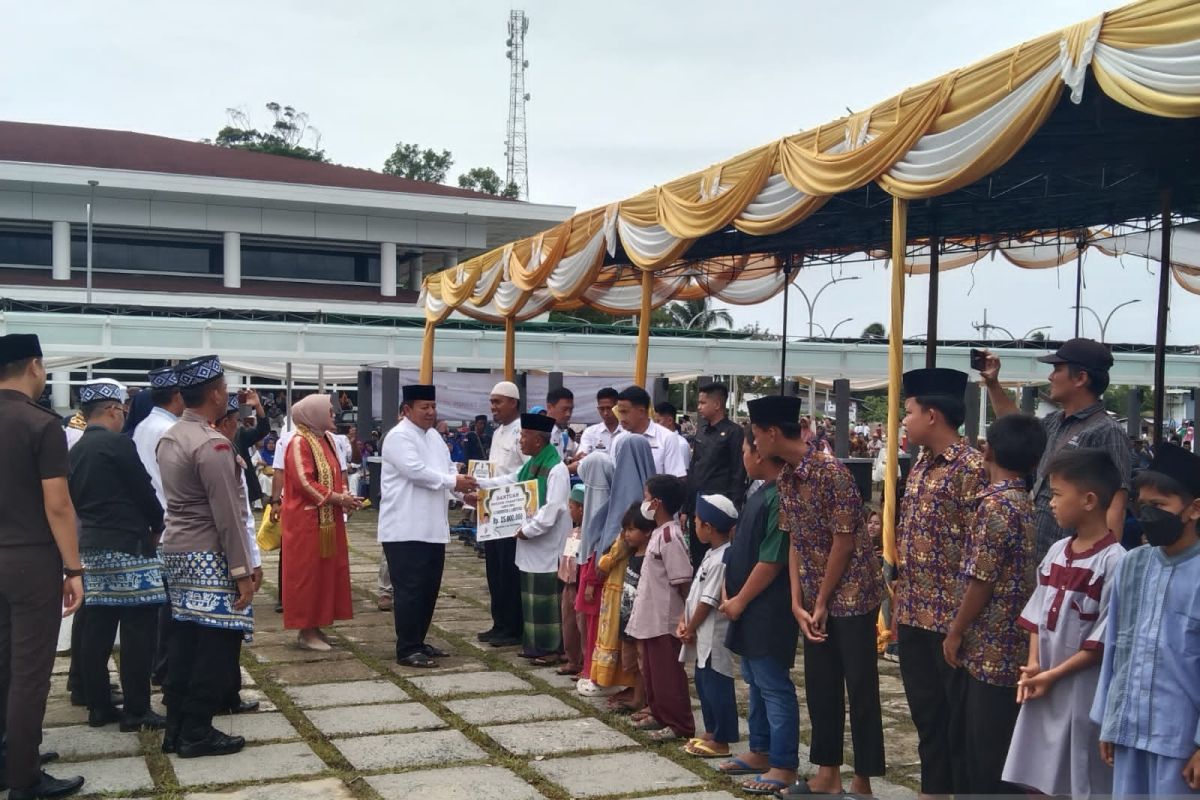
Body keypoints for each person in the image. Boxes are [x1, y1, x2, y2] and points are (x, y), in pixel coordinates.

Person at [753, 394, 885, 796]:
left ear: (773, 433)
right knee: (821, 685)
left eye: (757, 435)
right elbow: (795, 540)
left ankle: (862, 781)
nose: (755, 443)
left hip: (854, 596)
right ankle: (827, 773)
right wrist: (798, 601)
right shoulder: (788, 477)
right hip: (814, 599)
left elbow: (843, 542)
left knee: (860, 688)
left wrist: (822, 600)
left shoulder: (832, 473)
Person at [1001, 448, 1126, 797]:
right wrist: (1034, 664)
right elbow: (1038, 615)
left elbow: (1102, 640)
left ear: (1088, 500)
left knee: (1077, 776)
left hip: (1080, 689)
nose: (1050, 503)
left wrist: (1052, 675)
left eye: (1056, 494)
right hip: (1043, 681)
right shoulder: (1057, 551)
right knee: (1035, 772)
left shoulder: (1116, 562)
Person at [156, 355, 257, 759]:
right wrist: (242, 570)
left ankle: (176, 726)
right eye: (225, 388)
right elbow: (228, 517)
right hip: (209, 554)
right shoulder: (212, 444)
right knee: (217, 645)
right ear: (216, 394)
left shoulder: (172, 436)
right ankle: (197, 728)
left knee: (184, 641)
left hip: (177, 550)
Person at [941, 413, 1046, 794]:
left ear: (988, 450)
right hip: (1010, 644)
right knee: (998, 747)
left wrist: (955, 631)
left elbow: (981, 579)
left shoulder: (995, 507)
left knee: (979, 750)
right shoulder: (1025, 502)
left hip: (986, 645)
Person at [894, 367, 987, 797]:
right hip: (913, 613)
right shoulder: (918, 467)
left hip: (952, 622)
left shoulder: (972, 468)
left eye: (908, 412)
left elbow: (978, 551)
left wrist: (960, 625)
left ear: (932, 415)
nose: (903, 421)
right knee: (926, 716)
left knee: (958, 721)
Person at [0, 334, 86, 800]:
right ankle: (24, 778)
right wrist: (74, 569)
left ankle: (8, 756)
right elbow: (58, 505)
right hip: (30, 559)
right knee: (30, 671)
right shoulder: (40, 423)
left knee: (1, 666)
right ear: (34, 365)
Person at [1091, 443, 1200, 796]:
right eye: (1143, 505)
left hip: (1181, 740)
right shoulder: (1132, 564)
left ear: (1194, 509)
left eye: (1160, 506)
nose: (1148, 514)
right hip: (1130, 727)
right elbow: (1115, 649)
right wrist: (1110, 719)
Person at [68, 379, 167, 732]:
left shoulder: (75, 450)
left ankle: (98, 706)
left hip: (92, 546)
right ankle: (137, 708)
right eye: (121, 409)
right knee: (139, 630)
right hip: (129, 545)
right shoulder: (117, 445)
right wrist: (158, 523)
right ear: (112, 409)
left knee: (98, 628)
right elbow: (144, 491)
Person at [982, 338, 1133, 561]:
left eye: (1057, 369)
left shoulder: (1107, 431)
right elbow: (1014, 428)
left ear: (1081, 378)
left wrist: (1102, 566)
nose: (1051, 377)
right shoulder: (1053, 422)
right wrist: (994, 384)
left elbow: (1115, 506)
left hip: (1074, 564)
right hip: (1043, 555)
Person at [718, 419, 799, 795]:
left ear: (761, 452)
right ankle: (760, 749)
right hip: (746, 605)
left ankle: (783, 764)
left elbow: (772, 560)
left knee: (773, 685)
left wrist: (740, 600)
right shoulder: (760, 490)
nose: (743, 457)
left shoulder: (781, 495)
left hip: (768, 607)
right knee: (754, 681)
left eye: (745, 450)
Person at [378, 385, 475, 667]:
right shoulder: (398, 437)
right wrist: (454, 483)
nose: (431, 412)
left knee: (428, 588)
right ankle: (407, 648)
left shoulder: (433, 437)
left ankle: (418, 640)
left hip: (433, 526)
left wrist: (463, 494)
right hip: (405, 527)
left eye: (433, 406)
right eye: (424, 407)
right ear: (407, 410)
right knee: (409, 590)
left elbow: (445, 474)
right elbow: (416, 472)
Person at [477, 412, 571, 663]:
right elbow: (508, 482)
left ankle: (552, 648)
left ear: (538, 441)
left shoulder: (556, 469)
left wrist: (529, 530)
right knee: (529, 596)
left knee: (546, 598)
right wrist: (476, 483)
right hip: (529, 544)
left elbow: (554, 508)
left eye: (524, 436)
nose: (520, 440)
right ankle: (534, 644)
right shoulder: (531, 465)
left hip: (546, 543)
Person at [576, 436, 654, 698]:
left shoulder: (633, 499)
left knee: (616, 629)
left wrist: (603, 561)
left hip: (619, 577)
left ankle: (616, 679)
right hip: (632, 578)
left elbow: (618, 537)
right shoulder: (651, 496)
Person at [281, 394, 359, 651]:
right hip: (306, 522)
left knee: (327, 572)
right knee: (307, 575)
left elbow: (338, 471)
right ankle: (306, 631)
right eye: (329, 411)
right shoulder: (298, 442)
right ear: (313, 414)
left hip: (327, 519)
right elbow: (305, 483)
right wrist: (338, 498)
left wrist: (345, 495)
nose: (334, 415)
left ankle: (317, 625)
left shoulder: (325, 439)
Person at [625, 475, 694, 742]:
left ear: (657, 503)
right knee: (652, 671)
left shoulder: (670, 535)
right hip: (650, 613)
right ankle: (659, 713)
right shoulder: (657, 533)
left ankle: (679, 723)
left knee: (668, 674)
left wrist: (686, 617)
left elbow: (682, 580)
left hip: (665, 616)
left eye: (646, 497)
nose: (644, 502)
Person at [131, 365, 185, 689]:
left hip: (154, 520)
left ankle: (157, 662)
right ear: (177, 396)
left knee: (160, 600)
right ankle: (164, 667)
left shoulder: (143, 426)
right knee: (170, 601)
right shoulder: (169, 430)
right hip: (169, 519)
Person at [210, 394, 263, 716]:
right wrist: (248, 565)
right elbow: (236, 516)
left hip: (205, 549)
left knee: (219, 632)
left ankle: (227, 692)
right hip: (225, 552)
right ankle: (222, 696)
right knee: (225, 631)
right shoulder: (220, 451)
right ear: (228, 422)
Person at [678, 494, 737, 759]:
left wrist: (690, 627)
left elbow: (708, 600)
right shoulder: (711, 554)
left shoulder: (724, 557)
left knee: (717, 683)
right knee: (703, 682)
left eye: (697, 521)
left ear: (709, 528)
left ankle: (722, 738)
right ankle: (712, 731)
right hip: (700, 632)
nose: (694, 525)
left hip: (713, 634)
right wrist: (684, 620)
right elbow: (694, 594)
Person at [479, 381, 526, 647]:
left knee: (509, 571)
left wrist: (489, 484)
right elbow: (493, 469)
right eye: (492, 401)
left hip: (512, 509)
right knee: (493, 570)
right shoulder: (498, 432)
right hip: (491, 509)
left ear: (513, 403)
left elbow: (524, 473)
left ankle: (512, 627)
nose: (493, 407)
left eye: (498, 402)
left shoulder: (523, 432)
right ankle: (499, 623)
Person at [685, 381, 747, 567]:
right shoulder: (702, 432)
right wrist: (686, 508)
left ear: (717, 404)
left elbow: (738, 473)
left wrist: (735, 508)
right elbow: (694, 469)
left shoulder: (734, 432)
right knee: (697, 558)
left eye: (703, 403)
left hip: (721, 506)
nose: (699, 407)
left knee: (719, 559)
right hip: (699, 505)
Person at [591, 502, 648, 704]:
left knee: (631, 650)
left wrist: (605, 561)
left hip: (625, 598)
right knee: (625, 647)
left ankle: (635, 692)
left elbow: (608, 560)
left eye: (630, 529)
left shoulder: (631, 549)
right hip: (620, 595)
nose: (625, 534)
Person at [615, 385, 689, 477]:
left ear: (641, 412)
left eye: (624, 412)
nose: (621, 418)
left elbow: (675, 478)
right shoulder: (619, 439)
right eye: (619, 412)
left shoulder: (667, 438)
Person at [558, 485, 586, 676]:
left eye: (571, 507)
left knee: (582, 624)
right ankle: (572, 659)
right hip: (567, 584)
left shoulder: (589, 534)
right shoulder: (573, 532)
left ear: (582, 509)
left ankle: (585, 663)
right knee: (568, 623)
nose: (570, 511)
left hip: (581, 585)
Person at [232, 390, 271, 509]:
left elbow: (263, 430)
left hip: (243, 489)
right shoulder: (208, 436)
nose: (236, 422)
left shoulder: (240, 434)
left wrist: (258, 406)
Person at [575, 387, 621, 462]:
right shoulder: (590, 432)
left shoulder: (628, 431)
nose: (605, 413)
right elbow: (582, 457)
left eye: (609, 408)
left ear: (617, 407)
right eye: (601, 409)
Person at [546, 386, 575, 460]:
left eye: (571, 409)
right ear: (549, 407)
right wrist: (569, 468)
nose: (568, 414)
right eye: (564, 409)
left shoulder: (562, 434)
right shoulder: (539, 433)